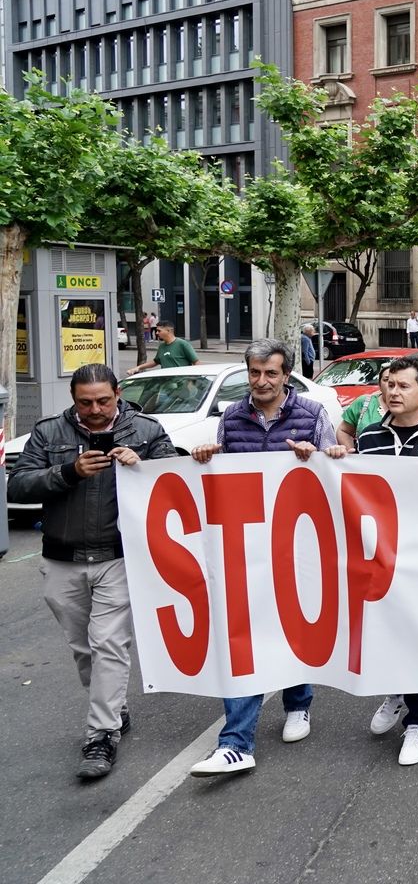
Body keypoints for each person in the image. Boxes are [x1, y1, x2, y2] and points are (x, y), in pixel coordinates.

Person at [8, 364, 175, 779]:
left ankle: (100, 736)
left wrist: (144, 466)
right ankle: (114, 708)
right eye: (85, 402)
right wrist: (69, 471)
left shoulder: (147, 431)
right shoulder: (49, 433)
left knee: (108, 645)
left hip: (118, 558)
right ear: (73, 398)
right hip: (61, 559)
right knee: (84, 649)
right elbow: (17, 485)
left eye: (104, 400)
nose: (96, 410)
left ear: (118, 393)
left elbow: (176, 484)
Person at [186, 339, 338, 777]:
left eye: (271, 373)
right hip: (247, 546)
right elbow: (221, 474)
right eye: (254, 373)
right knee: (245, 638)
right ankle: (236, 742)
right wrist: (204, 459)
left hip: (298, 544)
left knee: (292, 623)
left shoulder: (312, 415)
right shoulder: (232, 418)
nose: (262, 381)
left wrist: (316, 459)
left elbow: (336, 467)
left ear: (286, 375)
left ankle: (298, 702)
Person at [322, 356, 418, 767]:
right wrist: (337, 461)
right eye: (389, 385)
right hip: (381, 557)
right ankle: (396, 692)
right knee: (385, 631)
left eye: (403, 386)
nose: (393, 392)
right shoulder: (368, 439)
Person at [126, 319, 198, 374]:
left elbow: (196, 362)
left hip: (182, 386)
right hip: (166, 385)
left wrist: (192, 381)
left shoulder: (183, 344)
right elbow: (156, 361)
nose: (156, 333)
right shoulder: (162, 346)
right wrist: (138, 368)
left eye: (159, 331)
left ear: (168, 331)